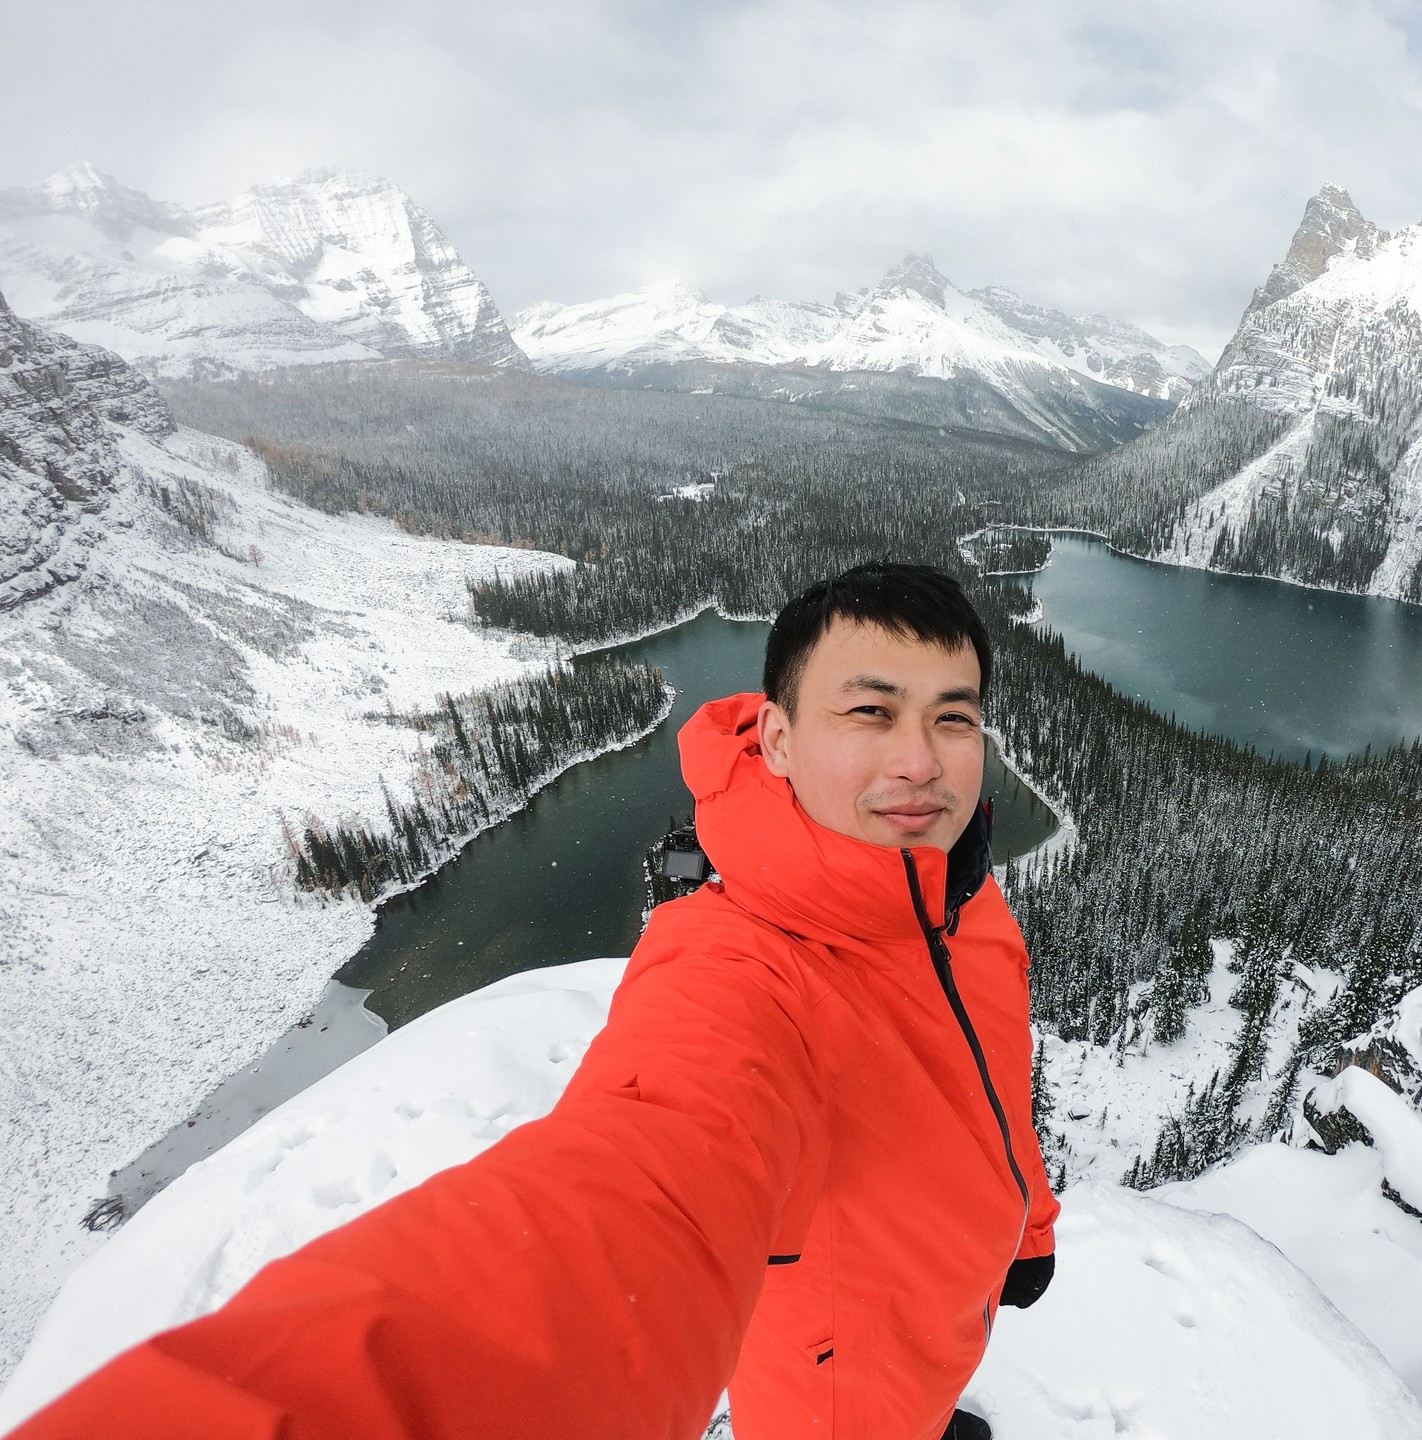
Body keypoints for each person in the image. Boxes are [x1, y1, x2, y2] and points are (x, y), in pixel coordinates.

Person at [10, 562, 1060, 1440]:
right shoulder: (737, 967)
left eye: (952, 717)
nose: (920, 762)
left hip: (944, 1311)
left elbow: (988, 1081)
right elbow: (641, 1190)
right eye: (870, 711)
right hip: (835, 1388)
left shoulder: (959, 896)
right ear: (778, 741)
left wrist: (1026, 1229)